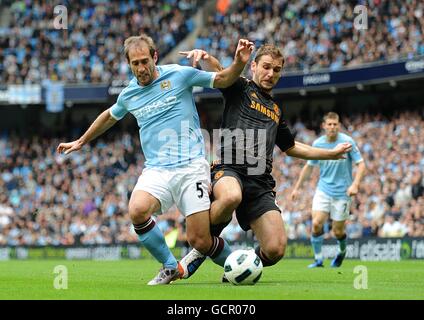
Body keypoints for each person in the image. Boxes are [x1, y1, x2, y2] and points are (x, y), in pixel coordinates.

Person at [57, 34, 254, 285]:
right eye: (135, 63)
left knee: (200, 241)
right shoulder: (129, 94)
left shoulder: (180, 75)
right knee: (137, 210)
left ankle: (240, 265)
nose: (141, 68)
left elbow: (224, 79)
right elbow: (109, 116)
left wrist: (239, 62)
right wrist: (82, 141)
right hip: (157, 170)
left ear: (155, 57)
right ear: (128, 64)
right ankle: (170, 266)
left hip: (191, 167)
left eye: (144, 61)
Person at [177, 45, 352, 280]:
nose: (271, 74)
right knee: (230, 196)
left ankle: (239, 266)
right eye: (266, 67)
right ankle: (201, 247)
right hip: (229, 169)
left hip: (260, 182)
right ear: (254, 67)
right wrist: (206, 58)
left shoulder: (276, 110)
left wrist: (328, 153)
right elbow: (218, 71)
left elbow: (291, 147)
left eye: (277, 70)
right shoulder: (240, 87)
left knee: (276, 249)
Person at [291, 112, 366, 268]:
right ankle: (318, 260)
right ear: (324, 126)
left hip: (343, 193)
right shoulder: (318, 143)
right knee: (317, 224)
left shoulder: (347, 142)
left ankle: (342, 251)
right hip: (323, 190)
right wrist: (297, 188)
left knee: (338, 232)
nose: (332, 127)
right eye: (329, 124)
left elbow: (361, 164)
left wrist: (355, 184)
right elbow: (308, 167)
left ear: (338, 125)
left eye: (335, 124)